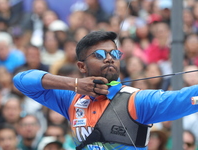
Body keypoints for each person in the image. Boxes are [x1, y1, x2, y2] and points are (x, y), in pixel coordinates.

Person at [13, 31, 198, 149]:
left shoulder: (137, 100)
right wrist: (75, 84)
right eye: (100, 54)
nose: (109, 58)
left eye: (114, 54)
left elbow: (188, 98)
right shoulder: (71, 98)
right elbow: (21, 80)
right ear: (81, 66)